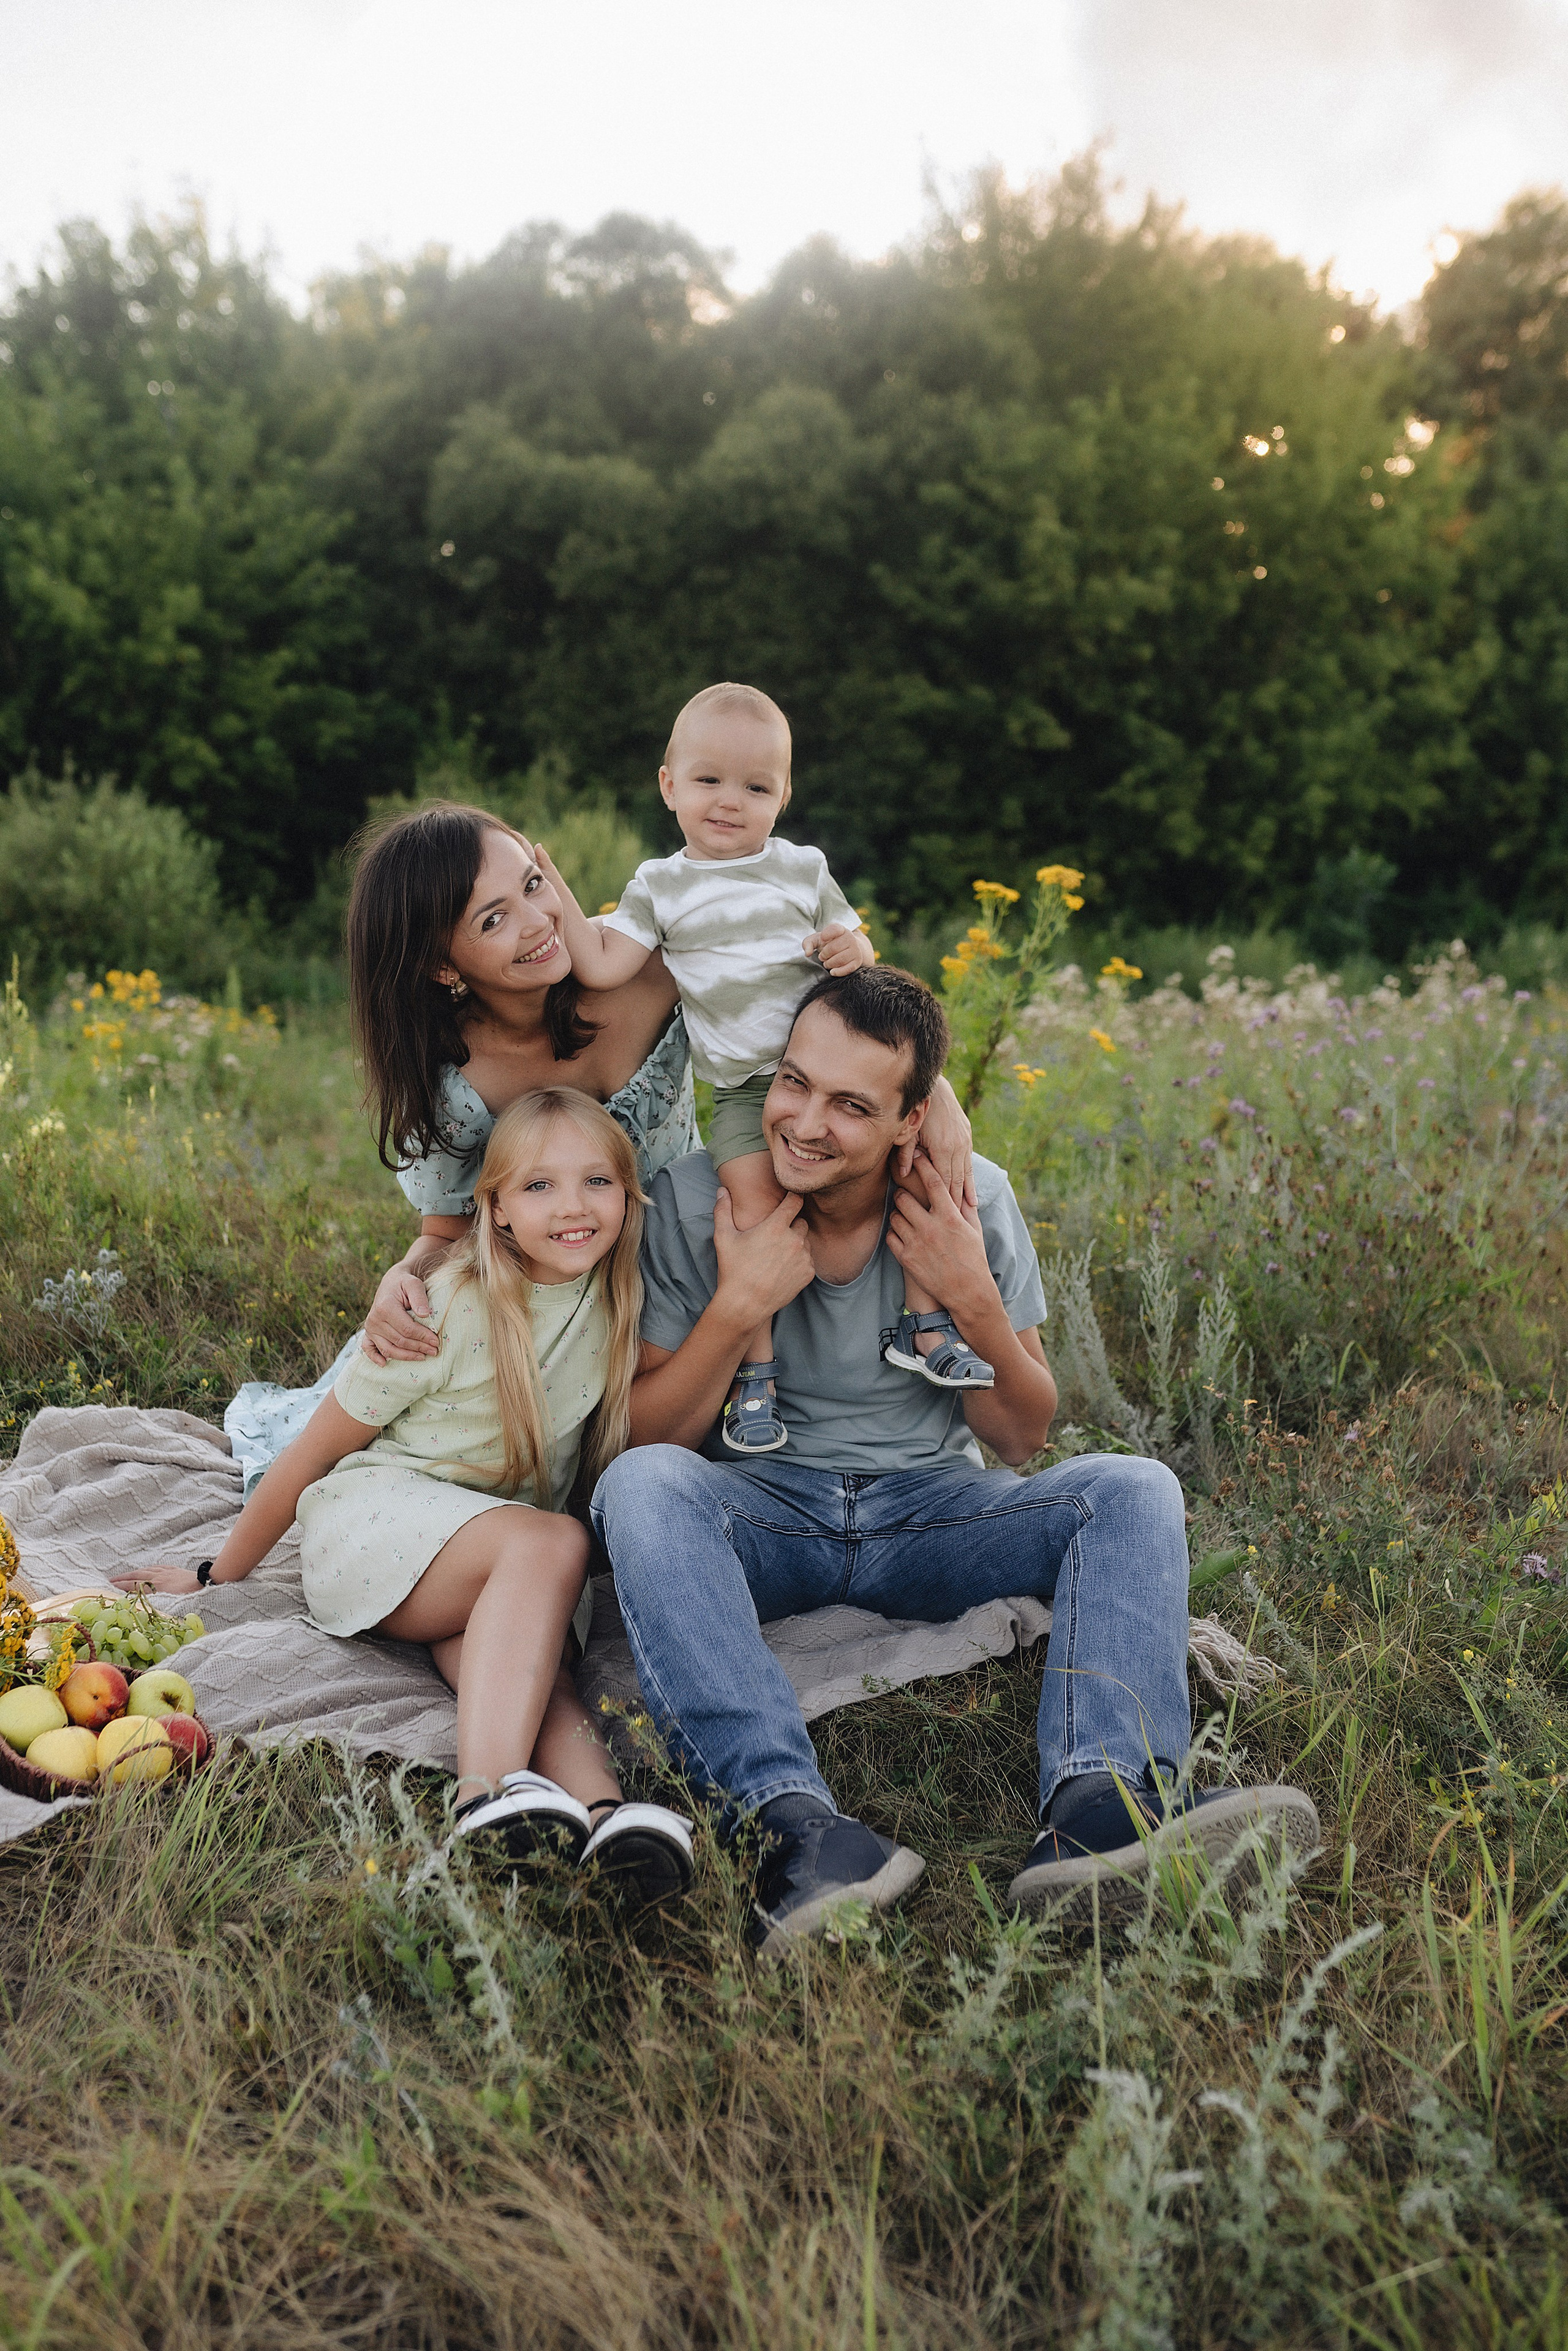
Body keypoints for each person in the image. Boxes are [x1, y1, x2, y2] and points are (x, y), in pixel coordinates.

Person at [590, 966, 1319, 1953]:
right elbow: (646, 1441)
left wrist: (970, 1294)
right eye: (793, 1083)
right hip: (762, 1510)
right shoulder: (689, 1202)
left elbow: (1020, 1437)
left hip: (929, 1515)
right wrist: (737, 1306)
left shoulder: (973, 1198)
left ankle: (1099, 1811)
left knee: (1133, 1487)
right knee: (639, 1486)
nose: (804, 1121)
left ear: (910, 1119)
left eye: (851, 1104)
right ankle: (793, 1831)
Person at [122, 1090, 693, 1903]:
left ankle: (608, 1818)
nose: (572, 1206)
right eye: (538, 1187)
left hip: (491, 1562)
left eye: (597, 1180)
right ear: (492, 1209)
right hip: (380, 1527)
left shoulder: (617, 1299)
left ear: (628, 1192)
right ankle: (482, 1796)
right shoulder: (445, 1305)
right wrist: (216, 1573)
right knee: (554, 1542)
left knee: (540, 1676)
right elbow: (312, 1454)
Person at [540, 682, 995, 1460]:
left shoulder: (800, 868)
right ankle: (757, 1377)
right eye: (709, 780)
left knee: (916, 1180)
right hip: (751, 1091)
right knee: (754, 1223)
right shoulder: (659, 886)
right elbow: (609, 961)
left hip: (830, 1069)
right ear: (668, 785)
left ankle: (926, 1328)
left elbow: (851, 944)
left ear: (783, 796)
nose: (730, 801)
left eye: (756, 787)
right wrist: (553, 898)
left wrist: (854, 950)